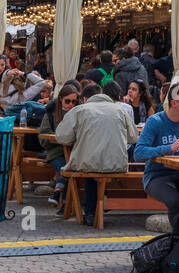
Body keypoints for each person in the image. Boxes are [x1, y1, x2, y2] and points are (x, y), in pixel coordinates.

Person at [56, 79, 140, 225]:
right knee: (98, 165)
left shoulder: (80, 110)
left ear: (84, 98)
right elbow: (133, 137)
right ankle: (96, 210)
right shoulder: (120, 110)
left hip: (88, 164)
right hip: (118, 163)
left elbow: (62, 137)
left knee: (91, 168)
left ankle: (90, 213)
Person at [134, 82, 179, 236]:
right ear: (173, 103)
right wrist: (169, 148)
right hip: (157, 176)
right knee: (175, 201)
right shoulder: (156, 121)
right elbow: (138, 153)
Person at [39, 84, 81, 208]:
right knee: (65, 168)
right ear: (61, 99)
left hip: (75, 152)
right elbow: (43, 136)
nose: (71, 105)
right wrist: (61, 137)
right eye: (67, 101)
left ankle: (58, 193)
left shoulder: (80, 113)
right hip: (56, 152)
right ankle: (64, 205)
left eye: (74, 101)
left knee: (69, 167)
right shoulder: (51, 113)